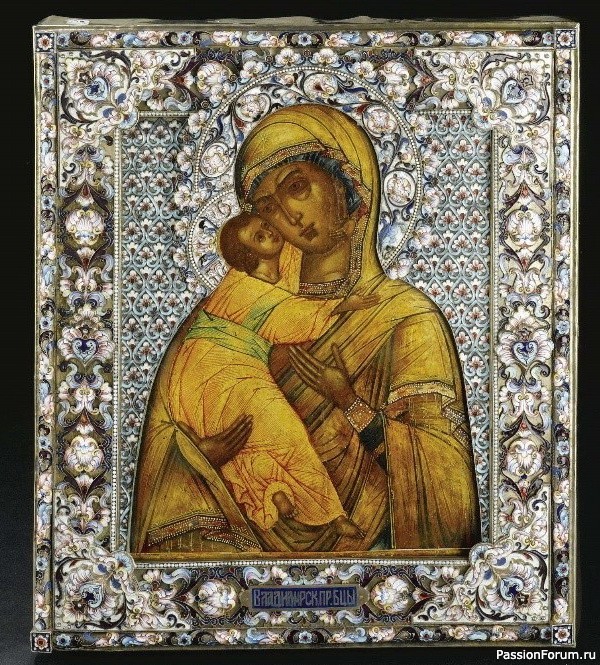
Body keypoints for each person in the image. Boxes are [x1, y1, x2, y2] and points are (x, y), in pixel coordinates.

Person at [130, 104, 481, 555]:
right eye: (266, 207)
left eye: (296, 187)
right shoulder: (225, 315)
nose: (288, 217)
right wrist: (200, 461)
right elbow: (165, 449)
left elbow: (441, 481)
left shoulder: (405, 318)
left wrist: (349, 402)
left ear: (349, 184)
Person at [176, 210, 372, 536]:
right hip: (213, 371)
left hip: (236, 366)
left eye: (265, 226)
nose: (270, 232)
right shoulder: (241, 288)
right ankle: (331, 514)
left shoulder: (281, 262)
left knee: (253, 439)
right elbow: (289, 320)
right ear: (249, 255)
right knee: (286, 430)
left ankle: (273, 491)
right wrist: (341, 305)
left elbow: (299, 245)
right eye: (259, 236)